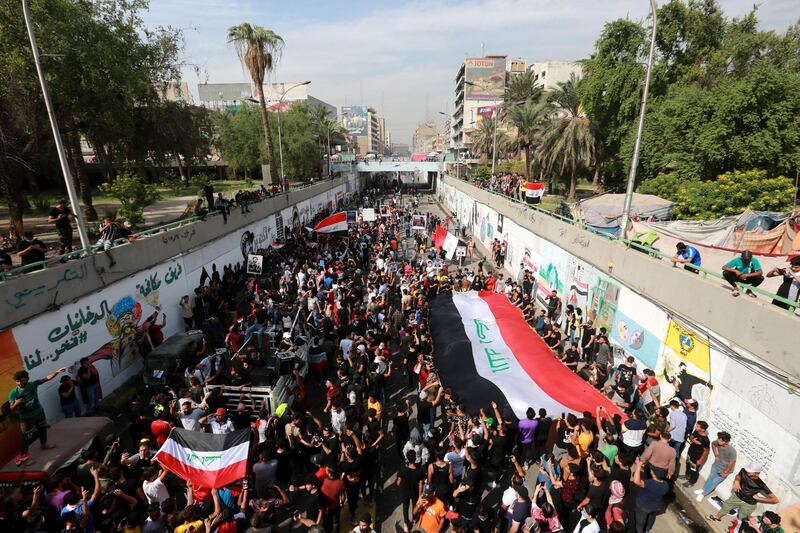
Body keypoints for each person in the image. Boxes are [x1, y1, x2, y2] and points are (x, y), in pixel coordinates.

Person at [8, 367, 66, 465]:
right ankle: (24, 459)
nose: (19, 383)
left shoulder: (33, 385)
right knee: (26, 438)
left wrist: (57, 372)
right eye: (17, 381)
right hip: (26, 419)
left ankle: (44, 444)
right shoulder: (13, 393)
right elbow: (11, 408)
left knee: (42, 428)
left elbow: (46, 378)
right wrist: (16, 403)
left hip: (39, 412)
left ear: (27, 379)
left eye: (22, 380)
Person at [706, 463, 779, 524]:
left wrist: (759, 498)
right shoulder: (744, 470)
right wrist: (737, 481)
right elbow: (738, 475)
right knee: (726, 506)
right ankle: (716, 517)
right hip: (737, 496)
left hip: (749, 504)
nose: (747, 472)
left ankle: (733, 529)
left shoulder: (761, 484)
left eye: (750, 471)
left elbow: (775, 500)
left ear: (757, 473)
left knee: (741, 518)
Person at [695, 431, 736, 502]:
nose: (719, 440)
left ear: (726, 441)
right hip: (716, 465)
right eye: (719, 438)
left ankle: (703, 494)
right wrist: (716, 455)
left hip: (725, 469)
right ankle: (703, 489)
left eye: (721, 440)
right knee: (710, 477)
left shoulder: (731, 450)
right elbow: (713, 444)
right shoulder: (717, 443)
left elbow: (731, 462)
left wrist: (725, 472)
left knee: (714, 482)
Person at [632, 457, 669, 533]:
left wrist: (638, 467)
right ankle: (647, 529)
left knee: (640, 523)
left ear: (654, 475)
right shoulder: (666, 485)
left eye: (653, 471)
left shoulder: (649, 483)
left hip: (643, 506)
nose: (651, 471)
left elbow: (636, 481)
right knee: (650, 518)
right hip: (655, 507)